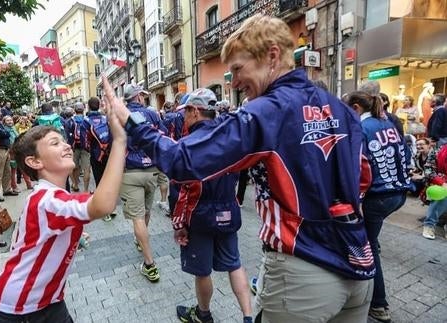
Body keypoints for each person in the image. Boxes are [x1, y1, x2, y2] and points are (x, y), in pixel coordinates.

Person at [105, 14, 375, 322]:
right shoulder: (340, 107)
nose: (233, 81)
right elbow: (365, 178)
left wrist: (129, 119)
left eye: (237, 68)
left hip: (305, 270)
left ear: (272, 55)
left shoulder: (266, 111)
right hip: (359, 265)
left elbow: (184, 162)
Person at [0, 119, 126, 322]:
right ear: (35, 162)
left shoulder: (48, 195)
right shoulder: (46, 200)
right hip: (14, 312)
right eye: (55, 143)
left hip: (50, 302)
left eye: (63, 141)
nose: (66, 145)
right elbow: (103, 205)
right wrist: (119, 141)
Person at [171, 88, 252, 323]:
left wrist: (179, 224)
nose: (183, 117)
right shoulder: (230, 139)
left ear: (195, 111)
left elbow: (181, 190)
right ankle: (248, 316)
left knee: (202, 270)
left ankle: (203, 315)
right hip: (228, 211)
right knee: (234, 264)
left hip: (200, 217)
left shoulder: (187, 144)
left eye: (185, 112)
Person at [344, 91, 412, 323]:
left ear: (355, 108)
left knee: (368, 246)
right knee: (371, 239)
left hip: (378, 196)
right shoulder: (388, 123)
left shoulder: (361, 128)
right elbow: (404, 154)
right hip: (399, 192)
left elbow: (359, 168)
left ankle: (379, 305)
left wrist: (357, 201)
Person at [119, 83, 167, 283]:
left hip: (130, 171)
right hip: (152, 170)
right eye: (143, 95)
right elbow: (163, 136)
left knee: (138, 217)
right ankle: (142, 242)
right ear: (138, 97)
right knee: (146, 212)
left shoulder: (119, 115)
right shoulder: (153, 114)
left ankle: (150, 265)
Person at [85, 96, 116, 221]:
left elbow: (84, 141)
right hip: (108, 153)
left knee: (99, 182)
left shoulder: (86, 121)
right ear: (99, 105)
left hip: (96, 154)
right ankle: (112, 208)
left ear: (88, 106)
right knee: (108, 181)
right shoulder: (105, 119)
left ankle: (105, 212)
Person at [65, 102, 91, 192]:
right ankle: (86, 190)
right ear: (83, 109)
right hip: (86, 148)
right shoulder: (87, 120)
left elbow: (67, 136)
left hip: (74, 147)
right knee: (86, 168)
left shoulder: (70, 121)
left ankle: (75, 185)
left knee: (74, 167)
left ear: (74, 110)